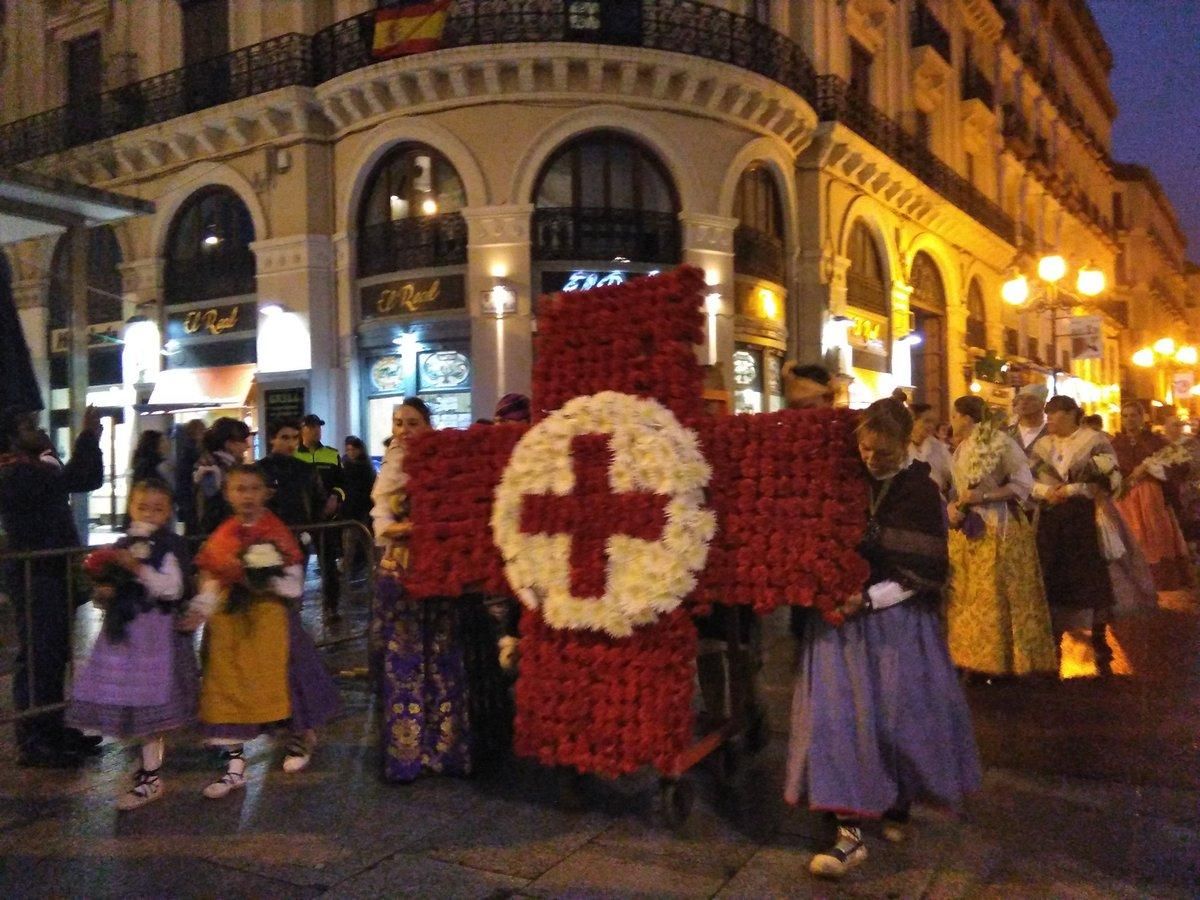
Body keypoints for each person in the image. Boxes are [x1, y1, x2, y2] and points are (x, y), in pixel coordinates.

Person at [784, 398, 980, 880]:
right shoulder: (841, 483)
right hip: (838, 631)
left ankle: (896, 802)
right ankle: (848, 835)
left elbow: (925, 571)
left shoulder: (919, 491)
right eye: (866, 448)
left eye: (884, 452)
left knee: (897, 722)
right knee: (838, 724)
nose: (872, 459)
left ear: (904, 445)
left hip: (896, 626)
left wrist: (869, 600)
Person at [187, 464, 340, 798]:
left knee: (289, 681)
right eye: (240, 489)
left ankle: (300, 737)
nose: (247, 496)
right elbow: (213, 576)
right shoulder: (224, 534)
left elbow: (293, 582)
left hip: (273, 622)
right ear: (228, 493)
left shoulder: (275, 531)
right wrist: (200, 610)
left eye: (254, 489)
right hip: (233, 626)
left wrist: (260, 578)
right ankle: (235, 765)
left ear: (265, 493)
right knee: (232, 687)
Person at [65, 478, 197, 810]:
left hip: (156, 636)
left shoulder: (170, 545)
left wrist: (136, 568)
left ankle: (151, 775)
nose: (150, 514)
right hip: (126, 636)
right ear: (131, 507)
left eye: (158, 508)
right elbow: (109, 587)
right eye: (142, 507)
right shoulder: (122, 543)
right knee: (135, 704)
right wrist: (105, 591)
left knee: (150, 705)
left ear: (168, 512)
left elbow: (172, 589)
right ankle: (148, 764)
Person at [372, 398, 471, 781]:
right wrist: (412, 529)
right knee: (404, 664)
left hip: (439, 575)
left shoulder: (445, 467)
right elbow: (381, 524)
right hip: (400, 576)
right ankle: (407, 754)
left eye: (413, 423)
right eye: (398, 423)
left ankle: (444, 751)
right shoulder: (389, 471)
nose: (404, 430)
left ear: (428, 426)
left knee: (443, 661)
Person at [0, 406, 105, 767]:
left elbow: (82, 478)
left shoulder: (38, 465)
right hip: (35, 574)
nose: (40, 429)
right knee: (38, 655)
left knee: (55, 653)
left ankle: (53, 725)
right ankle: (34, 738)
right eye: (30, 425)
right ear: (12, 435)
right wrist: (88, 436)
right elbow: (80, 476)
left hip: (52, 571)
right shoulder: (15, 472)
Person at [945, 396, 1057, 678]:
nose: (953, 421)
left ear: (968, 419)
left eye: (956, 416)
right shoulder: (962, 448)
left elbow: (1022, 484)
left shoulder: (1001, 443)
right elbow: (956, 488)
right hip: (970, 528)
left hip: (998, 525)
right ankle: (972, 656)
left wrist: (983, 495)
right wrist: (954, 506)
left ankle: (1004, 659)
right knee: (969, 593)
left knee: (996, 592)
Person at [1030, 396, 1123, 675]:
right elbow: (1028, 476)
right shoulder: (1043, 445)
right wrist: (1044, 492)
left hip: (1082, 519)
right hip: (1051, 518)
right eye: (1047, 414)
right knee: (1052, 575)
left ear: (1071, 414)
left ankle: (1099, 636)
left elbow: (1109, 479)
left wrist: (1072, 490)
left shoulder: (1094, 441)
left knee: (1090, 577)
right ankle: (1054, 638)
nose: (1049, 419)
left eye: (1055, 414)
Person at [1111, 401, 1193, 592]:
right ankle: (1131, 579)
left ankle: (1156, 580)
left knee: (1153, 536)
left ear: (1142, 417)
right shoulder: (1115, 443)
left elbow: (1179, 465)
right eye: (1125, 416)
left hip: (1151, 498)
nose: (1129, 420)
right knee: (1130, 535)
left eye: (1133, 415)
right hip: (1124, 498)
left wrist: (1153, 470)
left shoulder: (1156, 442)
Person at [295, 413, 347, 620]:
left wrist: (336, 496)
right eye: (311, 426)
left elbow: (342, 483)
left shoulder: (331, 454)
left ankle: (331, 607)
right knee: (297, 565)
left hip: (326, 519)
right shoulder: (294, 456)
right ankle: (294, 610)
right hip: (301, 520)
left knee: (329, 566)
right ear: (302, 430)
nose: (316, 430)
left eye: (318, 426)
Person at [258, 418, 324, 531]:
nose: (291, 443)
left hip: (302, 533)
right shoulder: (259, 470)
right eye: (285, 438)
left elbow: (319, 502)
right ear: (272, 439)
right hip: (270, 533)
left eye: (295, 438)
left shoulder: (307, 469)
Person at [192, 417, 251, 535]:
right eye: (243, 440)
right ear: (228, 443)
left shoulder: (224, 465)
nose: (247, 446)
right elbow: (210, 505)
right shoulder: (210, 467)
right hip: (219, 532)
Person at [340, 435, 377, 579]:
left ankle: (367, 573)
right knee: (351, 546)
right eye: (348, 449)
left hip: (361, 512)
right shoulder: (349, 466)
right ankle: (350, 573)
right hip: (351, 511)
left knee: (364, 545)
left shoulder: (362, 468)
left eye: (353, 449)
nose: (350, 452)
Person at [909, 402, 952, 495]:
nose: (931, 426)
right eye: (927, 421)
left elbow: (952, 474)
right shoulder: (900, 448)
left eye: (933, 422)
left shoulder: (938, 447)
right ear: (913, 421)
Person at [174, 419, 207, 534]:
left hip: (185, 495)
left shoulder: (184, 448)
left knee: (190, 528)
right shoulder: (194, 452)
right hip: (190, 495)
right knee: (194, 527)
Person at [1007, 383, 1049, 456]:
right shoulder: (1007, 433)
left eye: (1031, 399)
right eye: (1021, 398)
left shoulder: (1050, 435)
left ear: (1042, 404)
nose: (1024, 402)